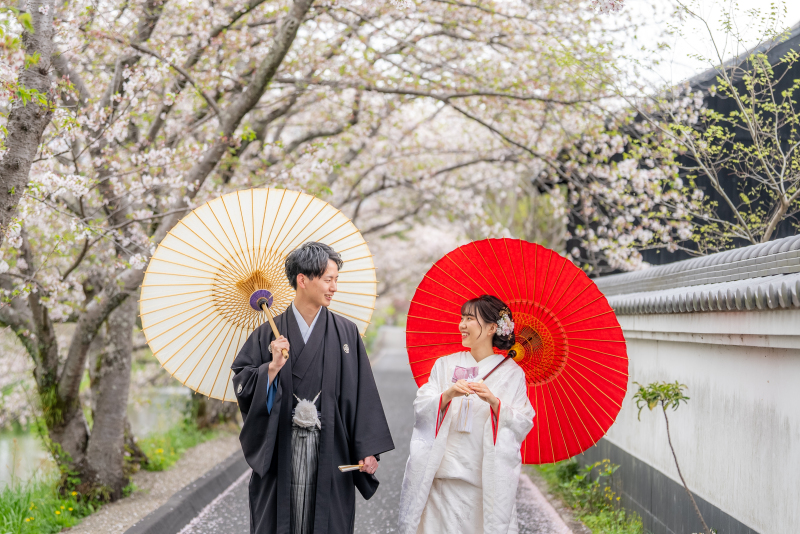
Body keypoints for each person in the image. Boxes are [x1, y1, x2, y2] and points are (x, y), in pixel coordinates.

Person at [231, 242, 394, 534]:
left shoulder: (346, 333)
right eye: (328, 279)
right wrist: (271, 368)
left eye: (336, 280)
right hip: (281, 447)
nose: (334, 287)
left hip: (331, 449)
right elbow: (243, 385)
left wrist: (367, 449)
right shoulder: (267, 333)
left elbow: (361, 394)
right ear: (302, 280)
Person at [398, 294, 535, 534]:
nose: (462, 325)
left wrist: (494, 402)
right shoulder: (445, 365)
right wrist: (447, 394)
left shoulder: (512, 374)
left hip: (482, 481)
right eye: (462, 318)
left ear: (493, 327)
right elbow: (422, 404)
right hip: (441, 477)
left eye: (470, 319)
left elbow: (523, 421)